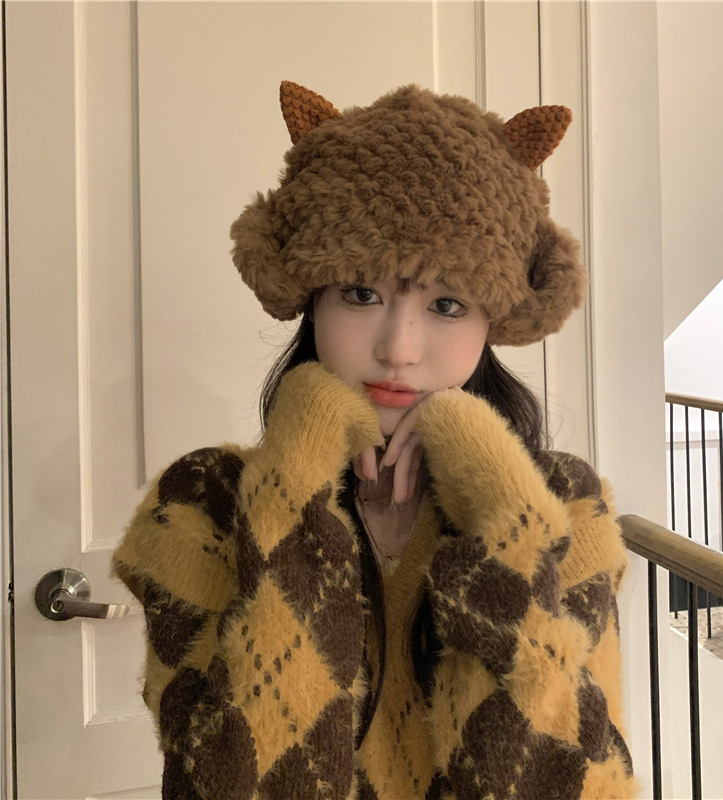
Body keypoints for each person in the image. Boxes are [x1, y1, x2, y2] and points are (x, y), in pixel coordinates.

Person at [113, 82, 634, 800]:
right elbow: (226, 785)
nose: (399, 349)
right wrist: (291, 487)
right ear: (312, 299)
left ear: (492, 321)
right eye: (361, 294)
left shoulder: (561, 503)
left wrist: (501, 512)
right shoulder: (201, 504)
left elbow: (578, 786)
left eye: (447, 304)